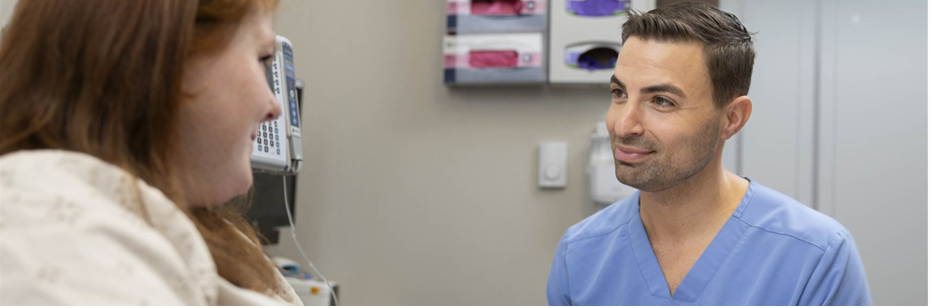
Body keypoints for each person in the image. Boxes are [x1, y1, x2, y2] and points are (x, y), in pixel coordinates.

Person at [546, 2, 872, 306]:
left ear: (732, 119)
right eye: (619, 93)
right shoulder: (579, 255)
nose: (623, 124)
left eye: (661, 100)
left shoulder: (815, 257)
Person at [0, 0, 302, 305]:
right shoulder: (49, 229)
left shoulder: (202, 231)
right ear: (166, 55)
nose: (274, 107)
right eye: (262, 57)